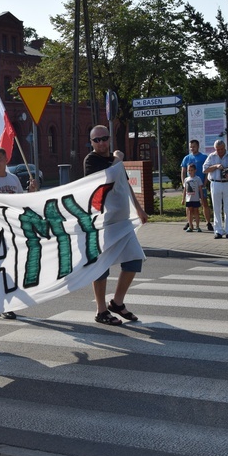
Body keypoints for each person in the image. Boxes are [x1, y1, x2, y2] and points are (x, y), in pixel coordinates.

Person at [83, 125, 148, 326]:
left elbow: (124, 184)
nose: (101, 142)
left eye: (104, 138)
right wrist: (118, 159)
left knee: (134, 259)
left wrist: (139, 208)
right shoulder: (91, 160)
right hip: (103, 223)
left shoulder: (114, 161)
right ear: (92, 142)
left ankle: (117, 302)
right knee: (101, 267)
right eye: (97, 140)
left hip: (122, 222)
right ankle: (101, 310)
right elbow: (108, 178)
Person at [0, 147, 37, 319]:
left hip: (11, 230)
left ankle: (5, 302)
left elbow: (20, 202)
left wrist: (31, 192)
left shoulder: (13, 178)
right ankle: (0, 305)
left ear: (6, 160)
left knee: (11, 267)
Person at [203, 139, 228, 240]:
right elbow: (204, 169)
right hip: (215, 183)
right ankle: (218, 231)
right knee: (217, 208)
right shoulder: (212, 156)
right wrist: (215, 166)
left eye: (222, 149)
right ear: (215, 149)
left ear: (225, 147)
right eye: (218, 149)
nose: (220, 151)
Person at [180, 139, 213, 231]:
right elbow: (183, 171)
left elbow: (207, 171)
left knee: (204, 203)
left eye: (194, 146)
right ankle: (189, 222)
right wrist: (184, 184)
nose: (192, 148)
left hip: (200, 185)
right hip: (190, 187)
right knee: (189, 205)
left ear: (198, 146)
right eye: (191, 147)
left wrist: (205, 182)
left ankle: (208, 222)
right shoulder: (186, 158)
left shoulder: (203, 157)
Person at [181, 163, 204, 233]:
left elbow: (200, 189)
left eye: (192, 170)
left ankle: (197, 226)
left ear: (195, 170)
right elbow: (185, 190)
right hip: (189, 199)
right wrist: (183, 199)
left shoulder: (197, 179)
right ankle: (190, 226)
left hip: (196, 198)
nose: (190, 172)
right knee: (190, 212)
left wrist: (201, 198)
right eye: (189, 170)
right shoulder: (186, 179)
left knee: (196, 211)